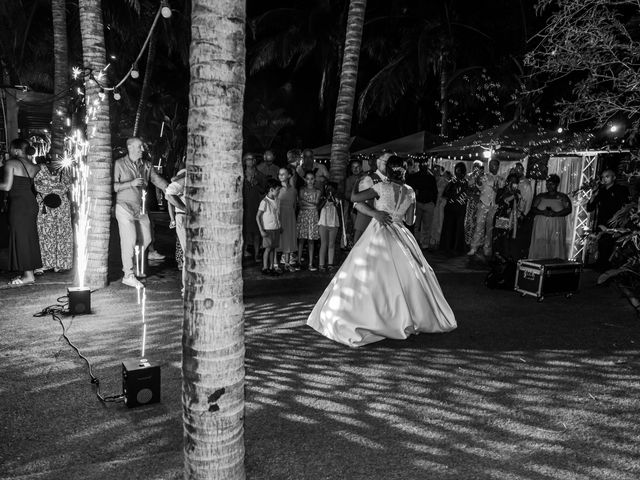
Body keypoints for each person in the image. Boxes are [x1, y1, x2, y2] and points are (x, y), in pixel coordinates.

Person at [307, 155, 457, 347]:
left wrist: (373, 210)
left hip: (379, 231)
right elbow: (410, 221)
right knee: (410, 275)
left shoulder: (380, 187)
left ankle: (375, 317)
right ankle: (408, 317)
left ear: (388, 170)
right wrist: (397, 214)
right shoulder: (411, 192)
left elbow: (354, 199)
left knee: (369, 273)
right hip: (401, 233)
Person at [113, 137, 168, 288]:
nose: (142, 150)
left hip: (141, 209)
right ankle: (128, 275)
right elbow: (113, 186)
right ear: (130, 147)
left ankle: (135, 263)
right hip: (124, 207)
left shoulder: (146, 165)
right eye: (139, 147)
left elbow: (157, 180)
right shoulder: (119, 164)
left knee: (147, 239)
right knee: (129, 241)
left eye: (142, 147)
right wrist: (131, 183)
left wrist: (171, 189)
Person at [0, 139, 42, 286]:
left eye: (11, 149)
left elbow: (6, 186)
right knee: (28, 237)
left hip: (19, 205)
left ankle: (29, 275)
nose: (10, 152)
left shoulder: (11, 163)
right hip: (30, 203)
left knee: (21, 238)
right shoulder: (34, 166)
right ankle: (28, 271)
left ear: (17, 150)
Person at [586, 168, 630, 270]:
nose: (604, 179)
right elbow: (590, 208)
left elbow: (626, 206)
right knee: (601, 244)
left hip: (615, 223)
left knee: (610, 246)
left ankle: (607, 267)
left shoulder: (621, 189)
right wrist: (593, 195)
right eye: (603, 177)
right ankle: (600, 264)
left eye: (607, 176)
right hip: (602, 222)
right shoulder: (601, 191)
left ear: (614, 177)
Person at [34, 160, 73, 272]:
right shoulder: (38, 168)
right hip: (44, 206)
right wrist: (55, 188)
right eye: (54, 154)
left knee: (62, 233)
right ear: (49, 155)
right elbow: (35, 185)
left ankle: (60, 264)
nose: (57, 157)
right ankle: (43, 264)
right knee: (44, 234)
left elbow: (68, 186)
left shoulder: (65, 170)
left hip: (62, 206)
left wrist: (50, 187)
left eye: (59, 155)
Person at [528, 174, 572, 259]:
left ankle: (555, 263)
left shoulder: (562, 197)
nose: (549, 186)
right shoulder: (541, 196)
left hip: (556, 225)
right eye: (548, 184)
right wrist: (543, 212)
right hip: (541, 225)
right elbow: (532, 209)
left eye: (552, 184)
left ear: (557, 184)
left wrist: (556, 214)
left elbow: (568, 210)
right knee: (540, 243)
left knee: (555, 244)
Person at [352, 151, 391, 244]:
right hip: (367, 222)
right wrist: (374, 213)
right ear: (378, 162)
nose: (390, 164)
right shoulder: (369, 178)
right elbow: (357, 202)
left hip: (384, 226)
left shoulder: (390, 180)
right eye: (386, 161)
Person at [468, 159, 501, 257]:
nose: (491, 167)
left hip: (493, 206)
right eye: (490, 165)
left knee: (490, 228)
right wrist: (478, 179)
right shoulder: (485, 176)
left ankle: (487, 248)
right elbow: (478, 185)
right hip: (483, 204)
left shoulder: (501, 179)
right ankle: (474, 247)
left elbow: (503, 193)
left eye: (494, 165)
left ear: (498, 166)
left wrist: (498, 190)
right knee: (479, 226)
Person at [164, 169, 187, 295]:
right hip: (183, 216)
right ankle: (186, 289)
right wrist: (184, 209)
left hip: (186, 216)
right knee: (188, 254)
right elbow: (169, 194)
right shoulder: (185, 177)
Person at [406, 160, 438, 249]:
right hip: (419, 203)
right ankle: (417, 242)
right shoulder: (416, 176)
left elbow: (435, 191)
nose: (424, 166)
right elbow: (410, 189)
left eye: (425, 165)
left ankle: (424, 243)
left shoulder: (430, 177)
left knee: (425, 225)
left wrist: (433, 202)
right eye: (423, 165)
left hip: (427, 203)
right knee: (416, 224)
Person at [242, 152, 267, 262]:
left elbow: (264, 190)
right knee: (244, 232)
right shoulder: (241, 173)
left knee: (257, 232)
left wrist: (257, 183)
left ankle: (256, 255)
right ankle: (242, 254)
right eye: (248, 159)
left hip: (256, 205)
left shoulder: (260, 175)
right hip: (244, 206)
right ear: (244, 161)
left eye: (252, 159)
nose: (250, 161)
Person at [440, 162, 469, 255]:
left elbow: (466, 195)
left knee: (458, 228)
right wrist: (453, 196)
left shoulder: (466, 183)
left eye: (460, 171)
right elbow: (445, 194)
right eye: (457, 170)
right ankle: (447, 247)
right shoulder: (452, 182)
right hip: (451, 208)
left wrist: (458, 198)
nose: (458, 173)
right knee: (449, 228)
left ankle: (457, 248)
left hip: (460, 209)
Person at [296, 170, 321, 270]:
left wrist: (305, 202)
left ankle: (310, 263)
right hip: (303, 215)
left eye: (312, 179)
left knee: (311, 241)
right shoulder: (302, 189)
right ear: (305, 179)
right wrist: (312, 204)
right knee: (301, 240)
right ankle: (298, 262)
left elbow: (317, 204)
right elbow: (301, 203)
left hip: (313, 216)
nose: (310, 181)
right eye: (308, 179)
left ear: (314, 179)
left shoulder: (318, 191)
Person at [257, 178, 282, 276]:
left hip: (275, 228)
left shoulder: (277, 200)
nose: (279, 191)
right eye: (277, 190)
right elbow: (257, 216)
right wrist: (261, 230)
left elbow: (277, 215)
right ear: (271, 189)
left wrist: (280, 225)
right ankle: (265, 267)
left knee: (273, 248)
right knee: (268, 248)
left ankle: (271, 267)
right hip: (268, 229)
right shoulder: (264, 202)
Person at [277, 166, 298, 272]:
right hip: (279, 216)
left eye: (283, 174)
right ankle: (275, 264)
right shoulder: (277, 189)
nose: (280, 176)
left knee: (288, 237)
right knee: (277, 238)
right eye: (279, 174)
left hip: (289, 216)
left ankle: (287, 263)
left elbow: (294, 205)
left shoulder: (294, 190)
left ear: (289, 175)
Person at [318, 182, 341, 272]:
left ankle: (330, 264)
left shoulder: (337, 199)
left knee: (331, 244)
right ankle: (321, 264)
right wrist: (326, 199)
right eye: (328, 189)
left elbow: (339, 210)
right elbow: (318, 207)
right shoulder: (322, 198)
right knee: (323, 244)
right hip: (323, 223)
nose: (330, 191)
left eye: (331, 189)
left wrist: (334, 201)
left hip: (334, 224)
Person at [428, 166, 449, 249]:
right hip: (432, 204)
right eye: (435, 170)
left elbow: (447, 194)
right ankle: (431, 240)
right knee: (431, 222)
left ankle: (438, 240)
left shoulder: (444, 181)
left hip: (440, 205)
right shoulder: (430, 180)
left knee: (439, 222)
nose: (436, 171)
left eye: (438, 170)